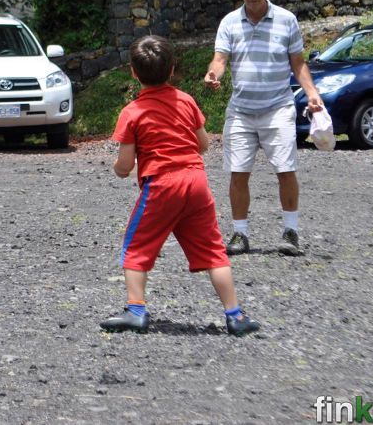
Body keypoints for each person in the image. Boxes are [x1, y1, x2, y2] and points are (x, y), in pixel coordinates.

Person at [100, 35, 260, 337]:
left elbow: (125, 164)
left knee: (135, 245)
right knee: (213, 251)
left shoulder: (132, 112)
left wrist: (120, 169)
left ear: (133, 72)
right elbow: (203, 144)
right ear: (172, 69)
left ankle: (136, 311)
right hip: (196, 182)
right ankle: (235, 315)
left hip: (162, 186)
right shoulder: (186, 101)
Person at [203, 0, 323, 257]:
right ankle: (240, 233)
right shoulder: (229, 22)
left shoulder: (286, 19)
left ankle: (290, 232)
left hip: (278, 108)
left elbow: (298, 62)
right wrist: (213, 74)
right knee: (238, 172)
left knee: (286, 169)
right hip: (241, 111)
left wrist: (312, 93)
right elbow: (220, 59)